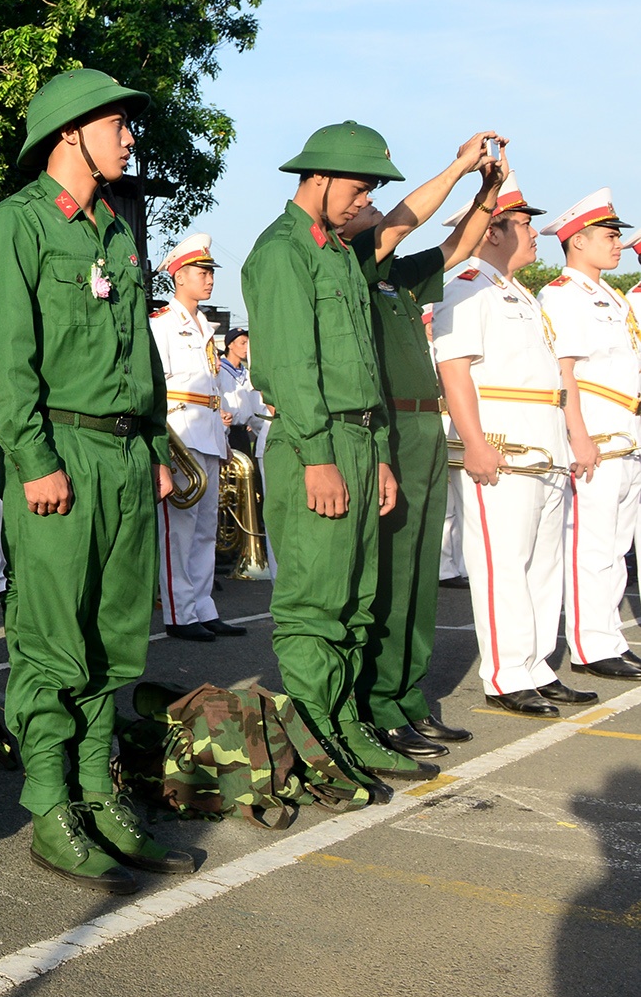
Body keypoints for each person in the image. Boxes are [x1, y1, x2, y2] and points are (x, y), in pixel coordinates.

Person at [0, 66, 193, 895]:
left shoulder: (116, 229)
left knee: (115, 634)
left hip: (128, 456)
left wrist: (162, 449)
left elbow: (139, 352)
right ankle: (51, 803)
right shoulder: (18, 226)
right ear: (70, 132)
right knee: (52, 638)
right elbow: (7, 359)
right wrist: (34, 461)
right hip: (61, 452)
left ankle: (100, 789)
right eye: (116, 124)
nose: (130, 137)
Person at [244, 123, 419, 796]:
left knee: (356, 603)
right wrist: (319, 457)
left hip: (361, 438)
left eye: (372, 186)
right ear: (317, 177)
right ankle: (317, 742)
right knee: (316, 604)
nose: (365, 198)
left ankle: (346, 726)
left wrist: (376, 453)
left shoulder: (340, 253)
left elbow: (360, 362)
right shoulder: (283, 251)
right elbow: (292, 364)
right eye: (358, 185)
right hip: (316, 441)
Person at [335, 133, 501, 759]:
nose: (378, 203)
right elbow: (406, 222)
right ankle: (380, 705)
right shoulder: (356, 260)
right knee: (394, 571)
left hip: (425, 427)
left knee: (421, 575)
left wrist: (486, 192)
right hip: (391, 430)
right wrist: (460, 166)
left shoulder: (396, 279)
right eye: (368, 196)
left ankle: (407, 696)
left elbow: (456, 244)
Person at [435, 174, 598, 717]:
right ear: (491, 232)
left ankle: (535, 665)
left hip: (542, 448)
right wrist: (475, 443)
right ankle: (505, 673)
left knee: (541, 565)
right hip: (502, 450)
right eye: (524, 224)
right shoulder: (465, 284)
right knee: (503, 563)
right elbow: (454, 369)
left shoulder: (519, 292)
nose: (533, 235)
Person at [537, 189, 641, 681]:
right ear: (577, 241)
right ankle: (590, 644)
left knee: (616, 545)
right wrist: (578, 435)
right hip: (597, 435)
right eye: (608, 235)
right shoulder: (562, 294)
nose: (618, 243)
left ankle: (609, 638)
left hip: (625, 435)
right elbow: (566, 372)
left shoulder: (612, 296)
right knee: (593, 544)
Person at [149, 234, 243, 641]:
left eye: (209, 273)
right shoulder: (163, 324)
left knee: (205, 528)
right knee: (179, 529)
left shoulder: (205, 324)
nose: (209, 280)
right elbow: (156, 387)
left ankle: (203, 606)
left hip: (206, 430)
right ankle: (179, 612)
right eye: (201, 272)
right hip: (180, 432)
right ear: (179, 276)